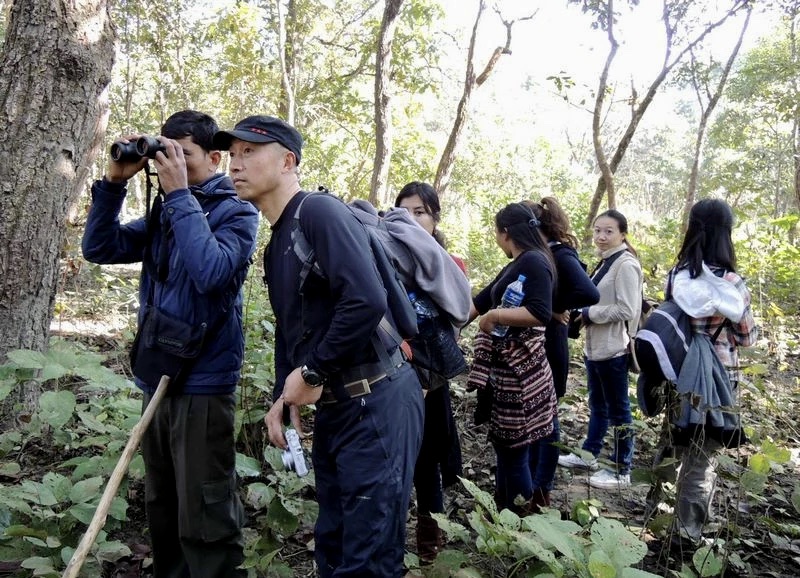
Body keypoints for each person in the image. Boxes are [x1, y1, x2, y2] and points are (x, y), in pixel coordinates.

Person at [212, 115, 424, 578]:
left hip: (379, 399)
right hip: (339, 407)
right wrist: (280, 398)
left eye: (250, 152)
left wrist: (311, 374)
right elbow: (295, 331)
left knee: (369, 552)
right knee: (334, 539)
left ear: (288, 161)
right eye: (232, 155)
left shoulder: (320, 212)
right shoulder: (276, 242)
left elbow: (366, 300)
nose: (236, 164)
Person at [82, 110, 259, 577]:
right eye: (167, 152)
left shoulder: (237, 210)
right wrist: (116, 184)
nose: (172, 163)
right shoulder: (169, 209)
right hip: (158, 367)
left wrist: (179, 193)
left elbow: (211, 273)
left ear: (215, 158)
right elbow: (100, 248)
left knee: (204, 502)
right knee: (162, 498)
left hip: (203, 379)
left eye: (185, 155)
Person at [649, 199, 757, 546]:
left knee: (672, 443)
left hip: (679, 375)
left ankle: (656, 518)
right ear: (727, 234)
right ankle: (686, 532)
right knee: (703, 454)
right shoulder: (733, 283)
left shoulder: (678, 276)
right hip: (719, 381)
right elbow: (746, 337)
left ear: (691, 229)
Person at [466, 202, 558, 515]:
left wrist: (494, 316)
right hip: (506, 375)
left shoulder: (533, 262)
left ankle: (520, 522)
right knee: (507, 449)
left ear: (505, 233)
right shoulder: (517, 263)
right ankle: (503, 513)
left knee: (514, 451)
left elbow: (540, 312)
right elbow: (479, 301)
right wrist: (449, 326)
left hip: (521, 374)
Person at [395, 181, 465, 560]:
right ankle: (391, 542)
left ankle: (428, 541)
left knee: (427, 460)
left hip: (431, 381)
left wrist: (427, 379)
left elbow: (454, 326)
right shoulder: (384, 258)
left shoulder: (445, 265)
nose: (411, 220)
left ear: (435, 220)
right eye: (404, 212)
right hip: (391, 377)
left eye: (420, 213)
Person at [558, 209, 642, 490]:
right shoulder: (605, 262)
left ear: (622, 234)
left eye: (608, 231)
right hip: (595, 348)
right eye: (597, 231)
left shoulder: (626, 264)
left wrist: (590, 314)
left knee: (619, 410)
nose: (601, 237)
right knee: (598, 405)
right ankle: (589, 454)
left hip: (615, 348)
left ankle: (622, 469)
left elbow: (628, 308)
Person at [525, 197, 599, 508]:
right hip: (539, 342)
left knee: (547, 419)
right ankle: (531, 484)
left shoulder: (559, 254)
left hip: (550, 345)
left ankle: (542, 489)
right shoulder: (540, 254)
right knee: (534, 419)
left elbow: (588, 292)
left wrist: (553, 306)